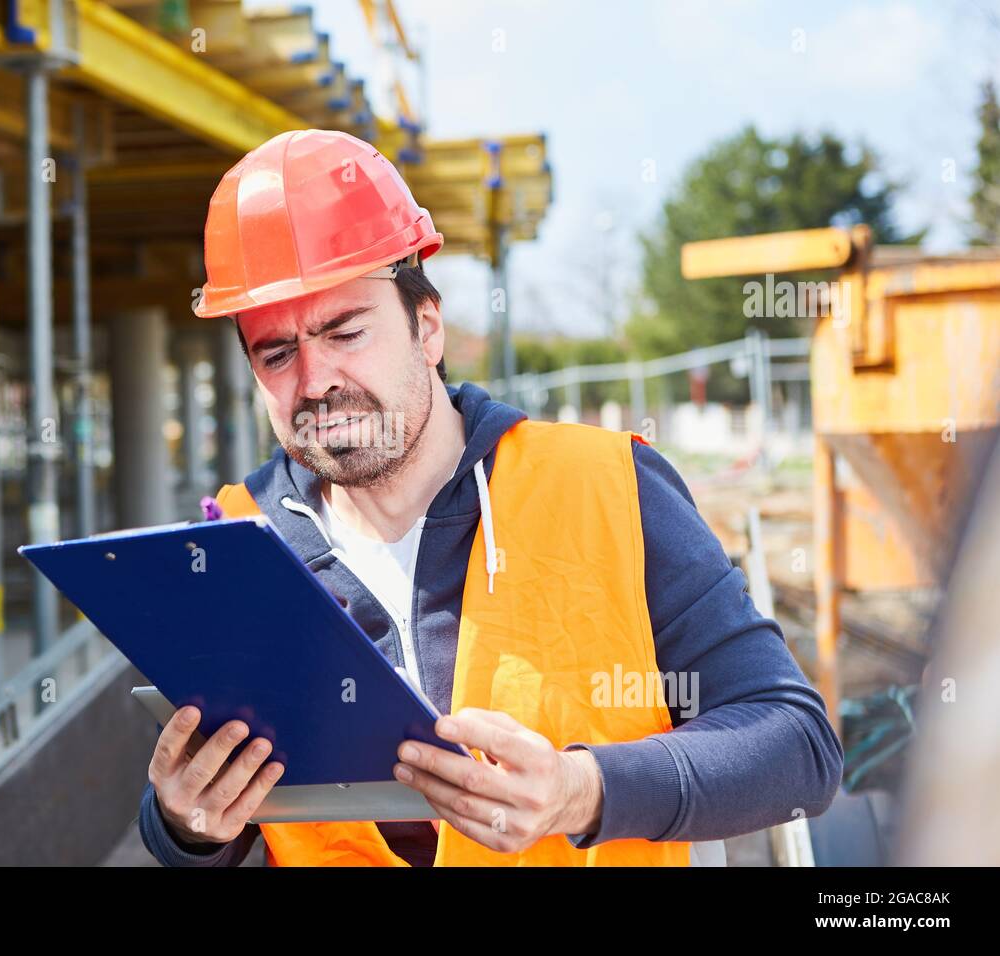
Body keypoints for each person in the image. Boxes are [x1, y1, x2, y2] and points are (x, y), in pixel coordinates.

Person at [139, 128, 842, 867]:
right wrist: (186, 825)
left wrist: (585, 788)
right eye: (277, 354)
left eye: (346, 330)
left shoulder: (606, 488)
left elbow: (796, 746)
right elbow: (210, 827)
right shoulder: (238, 544)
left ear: (428, 326)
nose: (315, 380)